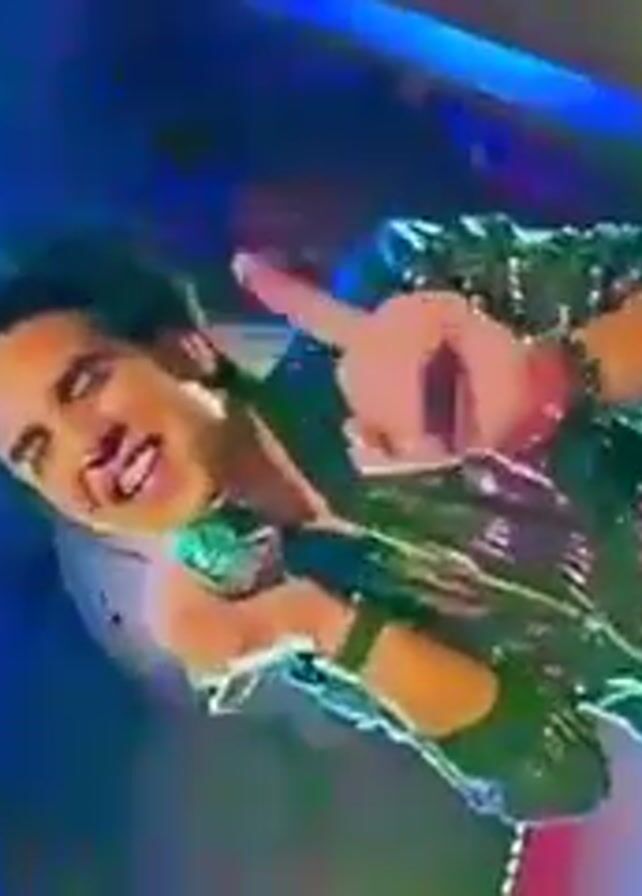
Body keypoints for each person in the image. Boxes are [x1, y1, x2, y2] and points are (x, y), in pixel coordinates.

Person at [2, 215, 642, 847]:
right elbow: (555, 777)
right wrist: (319, 624)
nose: (86, 445)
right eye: (37, 451)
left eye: (85, 383)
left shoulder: (395, 298)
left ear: (183, 350)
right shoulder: (290, 606)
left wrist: (551, 379)